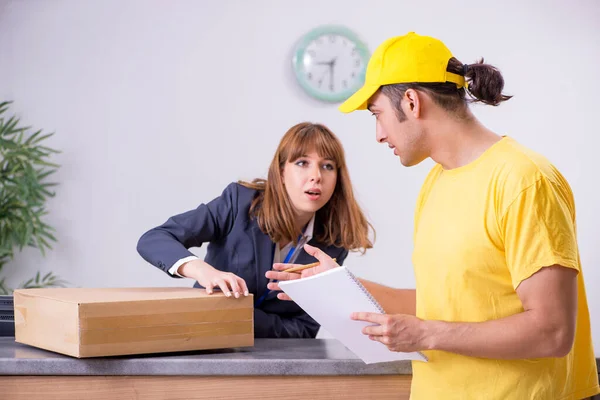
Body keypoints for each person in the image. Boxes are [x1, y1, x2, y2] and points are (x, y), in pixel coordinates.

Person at [267, 32, 599, 399]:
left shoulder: (523, 180)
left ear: (411, 102)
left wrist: (426, 334)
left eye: (377, 115)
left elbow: (552, 331)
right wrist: (339, 285)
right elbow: (441, 304)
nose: (378, 135)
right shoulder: (436, 182)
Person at [137, 122, 373, 339]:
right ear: (281, 172)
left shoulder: (334, 242)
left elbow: (304, 328)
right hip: (206, 341)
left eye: (327, 166)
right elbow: (155, 238)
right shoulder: (239, 202)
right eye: (302, 163)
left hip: (274, 360)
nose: (316, 176)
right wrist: (202, 271)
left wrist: (238, 314)